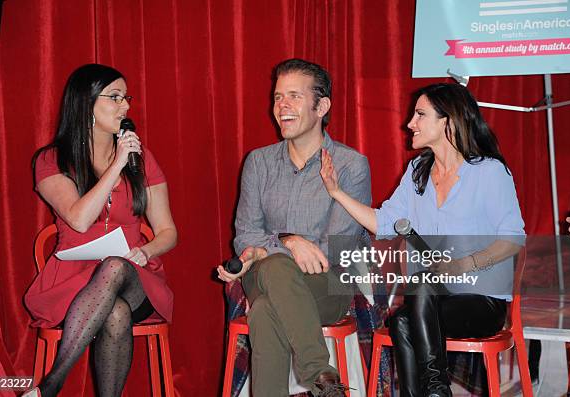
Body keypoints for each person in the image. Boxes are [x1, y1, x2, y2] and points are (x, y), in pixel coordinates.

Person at [320, 83, 525, 397]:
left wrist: (464, 264)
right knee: (404, 318)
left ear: (447, 122)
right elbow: (383, 222)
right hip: (433, 300)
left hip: (482, 301)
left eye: (420, 114)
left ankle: (435, 392)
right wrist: (336, 193)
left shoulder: (489, 172)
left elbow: (512, 239)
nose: (409, 123)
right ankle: (435, 391)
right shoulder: (417, 170)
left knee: (419, 292)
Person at [216, 58, 371, 397]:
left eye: (294, 96)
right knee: (276, 267)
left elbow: (334, 250)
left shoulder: (350, 165)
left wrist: (279, 245)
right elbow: (245, 234)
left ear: (322, 106)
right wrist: (290, 241)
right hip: (262, 274)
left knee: (266, 311)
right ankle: (320, 375)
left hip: (327, 285)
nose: (281, 106)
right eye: (277, 97)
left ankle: (318, 377)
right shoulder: (259, 162)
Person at [23, 64, 177, 397]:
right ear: (85, 104)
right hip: (71, 281)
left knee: (116, 266)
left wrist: (147, 251)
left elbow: (167, 231)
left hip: (135, 277)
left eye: (127, 98)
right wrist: (116, 165)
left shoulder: (142, 159)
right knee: (114, 312)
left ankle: (50, 386)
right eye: (115, 97)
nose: (126, 107)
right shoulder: (52, 160)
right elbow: (78, 219)